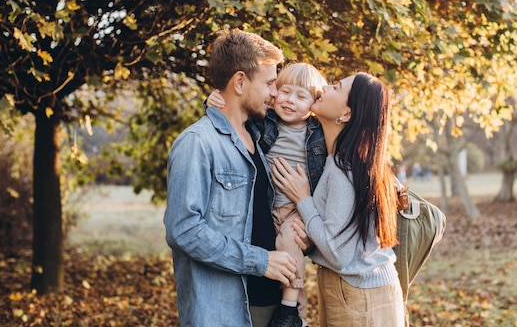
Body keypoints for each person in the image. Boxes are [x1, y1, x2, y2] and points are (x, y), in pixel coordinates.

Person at [164, 28, 298, 327]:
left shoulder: (259, 138)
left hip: (270, 305)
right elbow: (183, 230)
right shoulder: (197, 143)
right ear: (239, 81)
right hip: (224, 311)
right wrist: (261, 262)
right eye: (269, 84)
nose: (275, 93)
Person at [271, 72, 405, 327]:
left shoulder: (344, 169)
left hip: (357, 295)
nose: (324, 89)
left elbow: (337, 253)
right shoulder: (357, 160)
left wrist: (303, 200)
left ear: (346, 114)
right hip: (363, 289)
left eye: (335, 87)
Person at [207, 63, 328, 327]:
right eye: (284, 92)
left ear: (314, 103)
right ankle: (296, 316)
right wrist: (215, 100)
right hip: (270, 205)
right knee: (281, 254)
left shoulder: (319, 131)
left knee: (290, 240)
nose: (290, 101)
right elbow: (233, 118)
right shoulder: (264, 120)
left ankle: (290, 308)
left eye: (301, 96)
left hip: (297, 207)